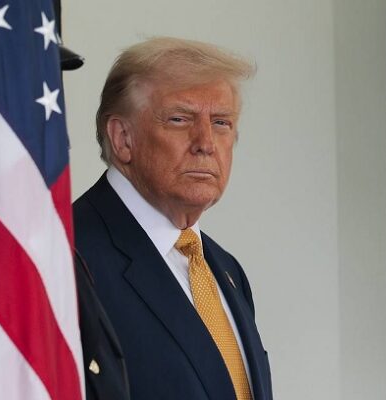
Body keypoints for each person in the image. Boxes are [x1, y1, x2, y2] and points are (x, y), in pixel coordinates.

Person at [73, 37, 273, 400]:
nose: (206, 142)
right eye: (180, 119)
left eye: (221, 122)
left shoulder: (227, 270)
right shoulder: (68, 255)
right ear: (123, 138)